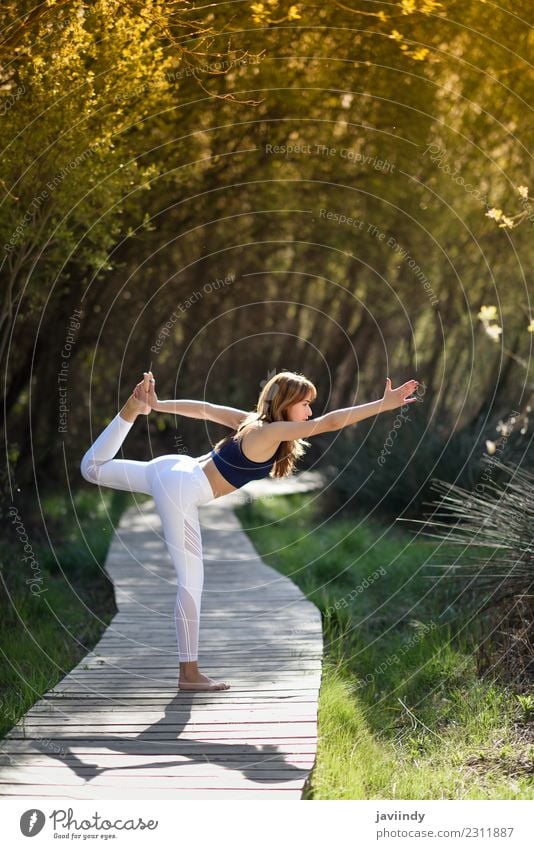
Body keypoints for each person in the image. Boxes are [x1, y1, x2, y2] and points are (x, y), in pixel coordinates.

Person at [81, 370, 419, 691]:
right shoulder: (270, 431)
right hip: (181, 485)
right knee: (190, 581)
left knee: (92, 468)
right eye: (304, 403)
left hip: (172, 467)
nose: (309, 410)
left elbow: (205, 410)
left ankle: (131, 411)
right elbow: (328, 423)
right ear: (285, 403)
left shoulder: (252, 422)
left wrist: (157, 406)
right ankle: (190, 673)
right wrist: (383, 405)